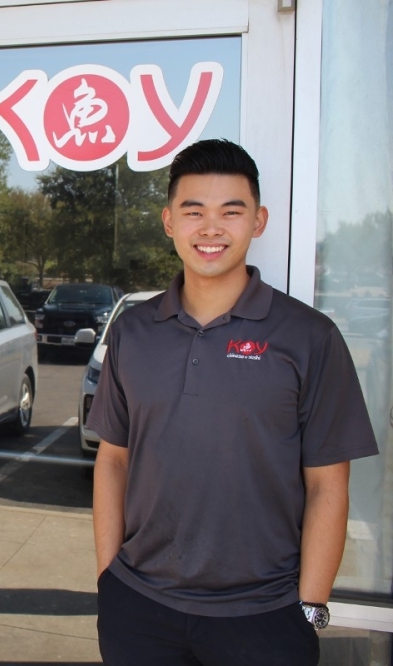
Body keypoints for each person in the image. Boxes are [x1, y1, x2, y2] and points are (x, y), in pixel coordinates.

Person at [89, 138, 379, 666]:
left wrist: (309, 605)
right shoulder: (134, 332)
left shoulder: (309, 337)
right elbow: (112, 459)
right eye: (193, 210)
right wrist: (110, 579)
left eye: (231, 211)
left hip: (264, 618)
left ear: (259, 220)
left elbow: (328, 483)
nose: (211, 228)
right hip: (139, 609)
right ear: (169, 221)